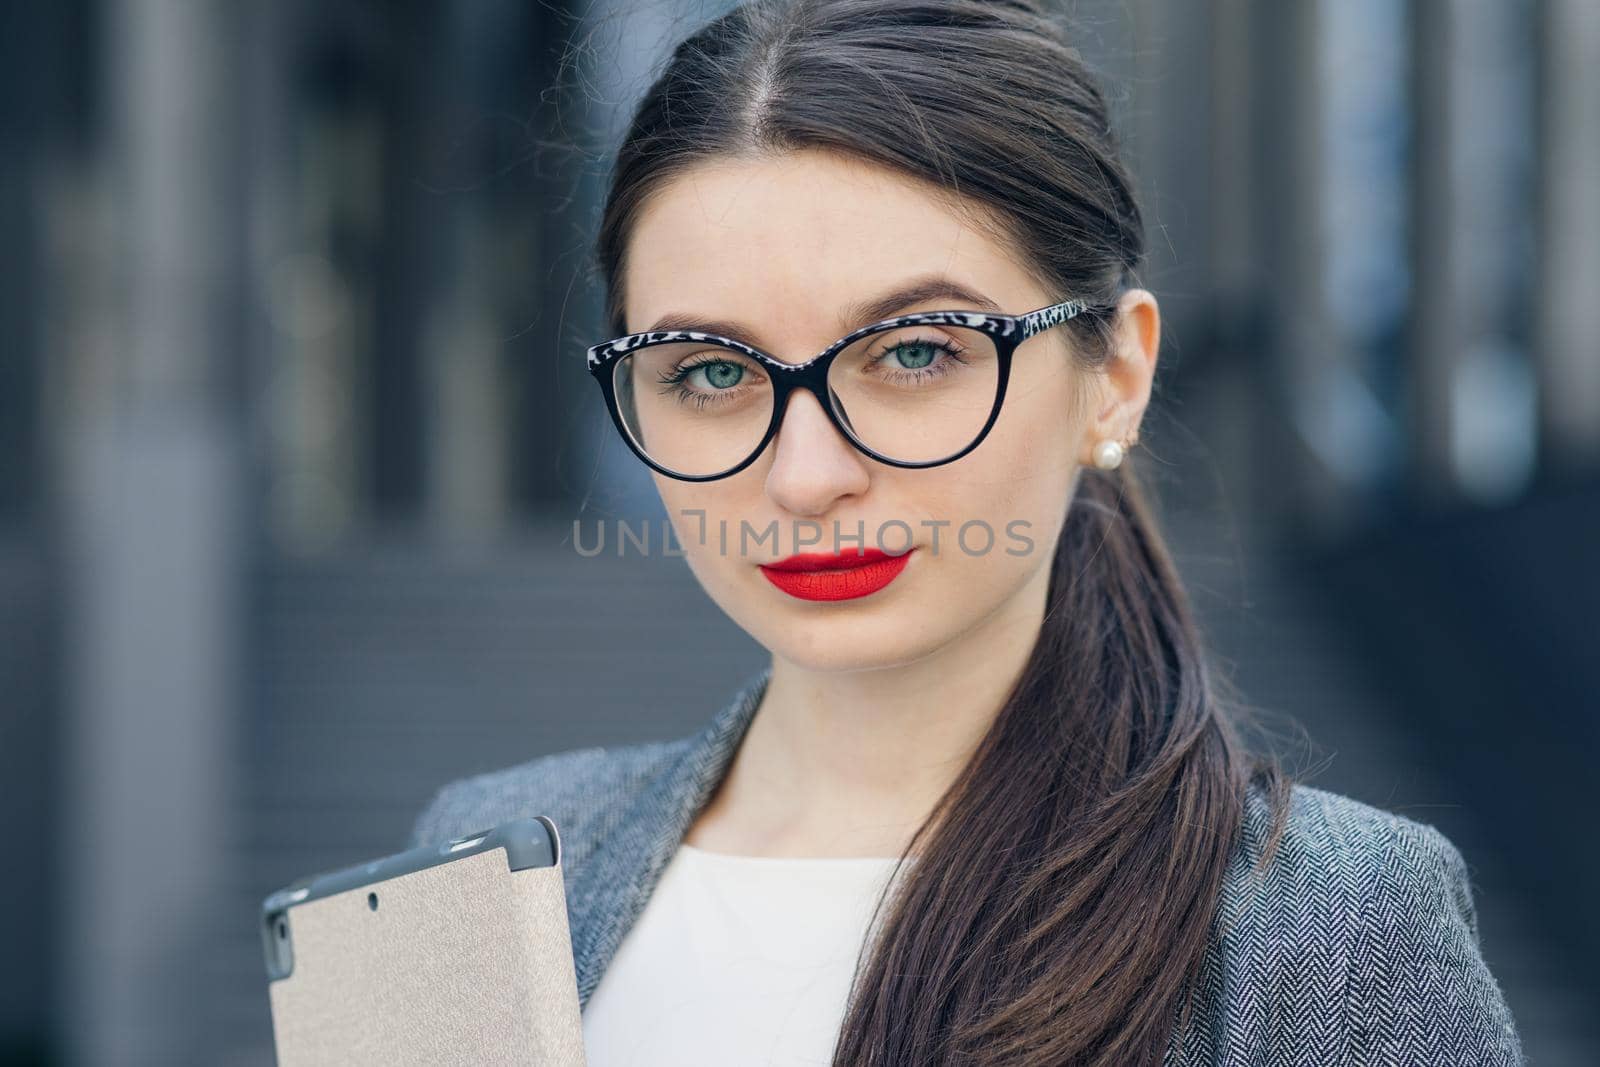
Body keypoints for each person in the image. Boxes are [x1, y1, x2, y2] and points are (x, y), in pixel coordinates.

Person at [410, 0, 1525, 1063]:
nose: (805, 476)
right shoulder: (487, 855)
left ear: (1116, 377)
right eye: (709, 370)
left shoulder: (1328, 931)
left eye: (913, 352)